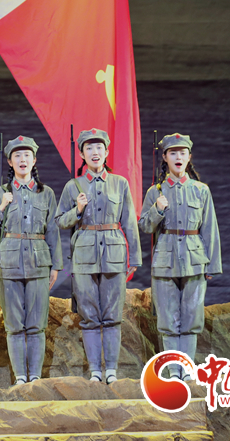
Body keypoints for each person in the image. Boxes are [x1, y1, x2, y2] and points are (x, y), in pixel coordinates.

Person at [56, 128, 140, 384]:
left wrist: (135, 258)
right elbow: (60, 221)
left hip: (114, 253)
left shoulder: (120, 183)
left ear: (106, 151)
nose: (95, 152)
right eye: (89, 148)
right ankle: (95, 370)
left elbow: (129, 222)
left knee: (113, 316)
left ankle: (111, 370)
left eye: (99, 147)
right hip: (83, 256)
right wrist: (78, 209)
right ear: (82, 154)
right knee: (89, 315)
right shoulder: (73, 186)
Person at [138, 133, 221, 378]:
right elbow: (144, 226)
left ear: (189, 157)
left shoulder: (201, 190)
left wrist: (211, 265)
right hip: (165, 261)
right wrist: (157, 209)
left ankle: (187, 369)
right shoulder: (155, 191)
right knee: (168, 320)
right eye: (173, 152)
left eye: (182, 152)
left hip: (195, 260)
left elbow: (210, 229)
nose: (178, 157)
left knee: (191, 319)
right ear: (164, 157)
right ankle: (174, 369)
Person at [0, 135, 63, 384]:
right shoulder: (0, 193)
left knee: (36, 325)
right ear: (10, 162)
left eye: (27, 155)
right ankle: (20, 377)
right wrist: (1, 207)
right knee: (14, 325)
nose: (22, 160)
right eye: (17, 156)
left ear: (34, 160)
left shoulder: (46, 193)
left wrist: (56, 265)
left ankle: (35, 377)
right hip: (8, 263)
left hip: (39, 262)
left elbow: (52, 230)